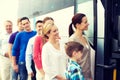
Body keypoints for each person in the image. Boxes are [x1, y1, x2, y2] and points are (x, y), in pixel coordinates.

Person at [68, 13, 93, 80]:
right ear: (78, 25)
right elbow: (72, 61)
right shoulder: (72, 39)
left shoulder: (85, 37)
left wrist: (90, 76)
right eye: (85, 22)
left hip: (87, 74)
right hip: (78, 75)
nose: (88, 23)